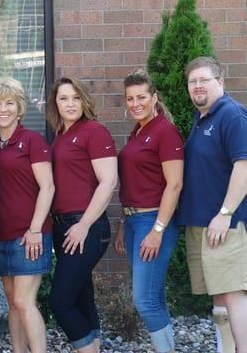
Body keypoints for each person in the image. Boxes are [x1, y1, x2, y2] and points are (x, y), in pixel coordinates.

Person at [177, 56, 247, 353]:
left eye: (204, 79)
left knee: (233, 295)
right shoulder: (203, 118)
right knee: (219, 298)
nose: (197, 86)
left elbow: (244, 165)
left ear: (220, 82)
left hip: (225, 225)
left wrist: (224, 213)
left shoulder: (231, 114)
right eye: (193, 81)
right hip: (202, 224)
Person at [46, 77, 117, 353]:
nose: (70, 103)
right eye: (64, 98)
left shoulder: (93, 131)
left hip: (85, 225)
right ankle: (93, 346)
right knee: (81, 294)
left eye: (76, 97)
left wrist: (84, 225)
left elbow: (108, 182)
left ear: (84, 100)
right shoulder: (62, 135)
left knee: (60, 301)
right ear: (56, 103)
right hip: (63, 226)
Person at [0, 77, 54, 353]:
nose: (3, 109)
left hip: (30, 234)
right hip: (0, 233)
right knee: (13, 302)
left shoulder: (33, 141)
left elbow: (48, 187)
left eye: (9, 103)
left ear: (19, 107)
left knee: (24, 301)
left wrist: (35, 229)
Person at [113, 70, 183, 353]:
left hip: (153, 221)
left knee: (144, 300)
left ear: (154, 97)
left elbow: (175, 184)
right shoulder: (138, 130)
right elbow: (134, 182)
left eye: (141, 97)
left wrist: (157, 230)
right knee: (155, 296)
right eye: (130, 98)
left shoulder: (164, 130)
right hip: (133, 221)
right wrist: (122, 224)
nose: (135, 103)